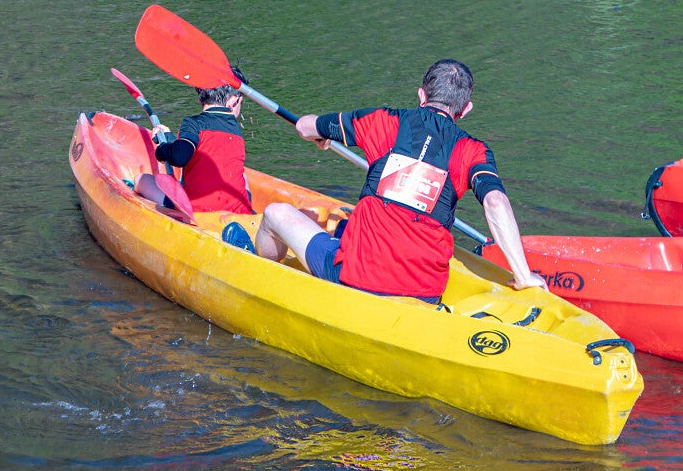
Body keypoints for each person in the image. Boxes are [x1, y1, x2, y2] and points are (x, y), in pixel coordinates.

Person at [252, 59, 546, 300]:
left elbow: (304, 127)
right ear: (465, 109)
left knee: (276, 213)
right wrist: (523, 276)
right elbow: (495, 202)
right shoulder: (473, 150)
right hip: (426, 292)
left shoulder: (383, 121)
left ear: (421, 95)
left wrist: (321, 136)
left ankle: (259, 275)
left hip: (356, 277)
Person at [150, 83, 254, 216]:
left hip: (198, 211)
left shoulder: (194, 123)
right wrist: (169, 138)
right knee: (244, 176)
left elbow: (180, 157)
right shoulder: (235, 130)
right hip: (238, 212)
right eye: (241, 103)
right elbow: (202, 150)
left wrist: (161, 150)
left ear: (200, 99)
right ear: (233, 101)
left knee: (141, 180)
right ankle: (248, 209)